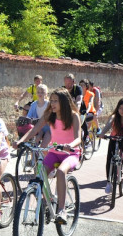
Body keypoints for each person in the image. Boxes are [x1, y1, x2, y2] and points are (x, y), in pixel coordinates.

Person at [14, 87, 82, 224]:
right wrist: (21, 141)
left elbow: (78, 138)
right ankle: (47, 201)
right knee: (39, 173)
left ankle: (62, 210)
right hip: (54, 152)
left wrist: (71, 145)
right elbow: (34, 130)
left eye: (56, 101)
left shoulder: (74, 115)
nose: (52, 104)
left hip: (71, 153)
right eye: (51, 101)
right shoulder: (49, 115)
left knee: (61, 172)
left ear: (64, 101)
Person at [97, 98, 123, 194]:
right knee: (110, 160)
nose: (122, 110)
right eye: (120, 108)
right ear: (117, 108)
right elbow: (108, 125)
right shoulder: (114, 116)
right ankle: (109, 182)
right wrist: (102, 133)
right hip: (115, 138)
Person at [79, 78, 96, 143]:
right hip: (81, 112)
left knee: (83, 118)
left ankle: (86, 135)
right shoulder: (79, 94)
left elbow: (89, 103)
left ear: (86, 86)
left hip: (90, 112)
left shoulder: (90, 94)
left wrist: (87, 111)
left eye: (83, 85)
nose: (81, 86)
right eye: (80, 85)